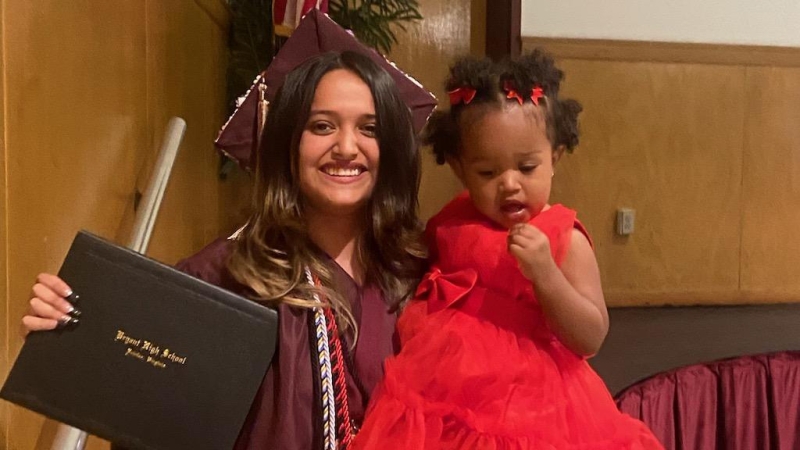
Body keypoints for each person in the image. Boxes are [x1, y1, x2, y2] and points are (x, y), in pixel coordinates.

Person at [21, 47, 431, 449]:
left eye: (369, 129)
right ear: (287, 144)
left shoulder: (422, 278)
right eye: (321, 126)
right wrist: (71, 331)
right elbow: (146, 409)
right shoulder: (226, 278)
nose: (346, 147)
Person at [351, 51, 664, 449]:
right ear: (460, 170)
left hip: (533, 402)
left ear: (555, 158)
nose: (510, 184)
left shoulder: (562, 236)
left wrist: (547, 274)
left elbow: (590, 336)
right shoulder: (454, 222)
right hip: (444, 383)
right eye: (488, 172)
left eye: (527, 167)